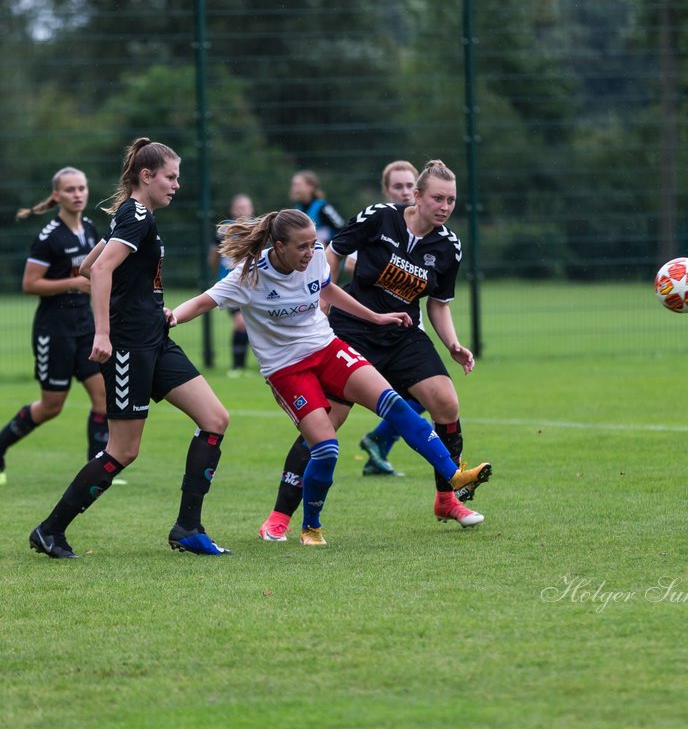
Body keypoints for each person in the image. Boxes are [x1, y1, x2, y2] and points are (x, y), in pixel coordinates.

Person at [169, 209, 493, 545]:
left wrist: (375, 317)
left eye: (314, 244)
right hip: (286, 370)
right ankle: (311, 526)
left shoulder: (317, 257)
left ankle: (453, 476)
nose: (311, 253)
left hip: (327, 349)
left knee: (395, 405)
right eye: (302, 247)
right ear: (279, 246)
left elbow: (329, 290)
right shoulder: (248, 277)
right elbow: (202, 302)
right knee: (326, 448)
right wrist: (172, 318)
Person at [260, 160, 489, 541]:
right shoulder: (380, 218)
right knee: (326, 423)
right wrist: (323, 301)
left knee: (446, 403)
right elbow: (332, 252)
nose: (445, 206)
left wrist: (452, 344)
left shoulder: (448, 246)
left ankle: (447, 499)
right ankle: (280, 515)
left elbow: (438, 302)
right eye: (438, 198)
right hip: (354, 329)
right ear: (416, 196)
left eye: (451, 200)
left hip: (403, 333)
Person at [27, 138, 230, 558]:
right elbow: (99, 270)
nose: (176, 185)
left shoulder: (131, 215)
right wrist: (103, 334)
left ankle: (188, 527)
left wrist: (146, 303)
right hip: (129, 347)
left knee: (214, 418)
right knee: (123, 450)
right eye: (170, 177)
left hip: (155, 337)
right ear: (147, 176)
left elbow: (87, 266)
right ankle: (50, 530)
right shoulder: (136, 216)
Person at [0, 167, 113, 486]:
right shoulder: (49, 237)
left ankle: (95, 470)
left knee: (103, 398)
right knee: (52, 406)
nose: (78, 194)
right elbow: (29, 284)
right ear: (56, 196)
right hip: (54, 331)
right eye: (70, 190)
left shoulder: (90, 229)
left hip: (85, 326)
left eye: (82, 188)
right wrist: (73, 283)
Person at [355, 160, 430, 477]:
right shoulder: (377, 221)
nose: (402, 192)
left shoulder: (426, 228)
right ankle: (376, 440)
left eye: (407, 186)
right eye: (396, 186)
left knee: (423, 394)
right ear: (386, 190)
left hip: (408, 323)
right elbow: (346, 260)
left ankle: (377, 451)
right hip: (371, 326)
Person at [208, 193, 254, 376]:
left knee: (251, 324)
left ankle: (247, 366)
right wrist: (216, 275)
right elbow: (214, 255)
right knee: (240, 323)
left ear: (251, 209)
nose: (242, 210)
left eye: (246, 207)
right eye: (239, 207)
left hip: (253, 285)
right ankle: (238, 366)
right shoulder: (224, 231)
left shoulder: (257, 229)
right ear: (233, 210)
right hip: (232, 284)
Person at [290, 169, 346, 245]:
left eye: (298, 185)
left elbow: (341, 228)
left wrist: (329, 244)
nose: (294, 189)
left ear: (311, 187)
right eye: (293, 185)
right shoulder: (298, 209)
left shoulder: (323, 207)